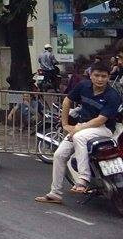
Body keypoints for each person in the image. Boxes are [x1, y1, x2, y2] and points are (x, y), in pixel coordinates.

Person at [35, 61, 121, 204]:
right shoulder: (83, 86)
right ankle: (55, 193)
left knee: (79, 137)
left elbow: (101, 120)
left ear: (108, 77)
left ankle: (83, 179)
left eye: (104, 76)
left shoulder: (112, 95)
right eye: (97, 75)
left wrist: (78, 128)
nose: (100, 79)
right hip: (82, 127)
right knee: (59, 155)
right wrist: (65, 124)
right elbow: (67, 101)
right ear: (90, 75)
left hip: (104, 129)